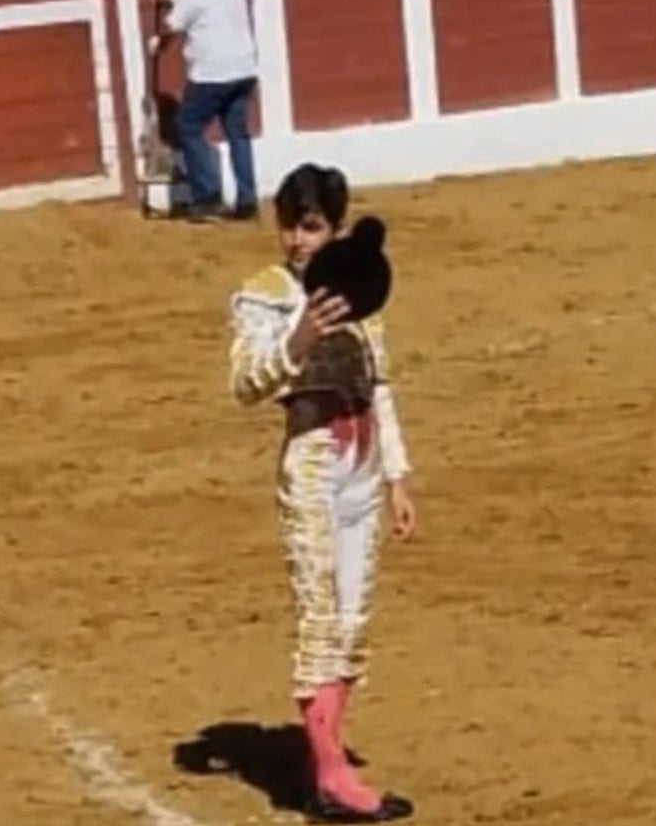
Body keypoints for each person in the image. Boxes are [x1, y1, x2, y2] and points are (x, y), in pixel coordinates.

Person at [227, 163, 417, 823]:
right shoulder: (265, 295)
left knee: (351, 624)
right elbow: (246, 385)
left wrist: (397, 475)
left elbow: (379, 385)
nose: (297, 240)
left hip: (361, 468)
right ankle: (332, 776)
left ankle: (324, 767)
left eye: (311, 227)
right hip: (310, 467)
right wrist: (300, 336)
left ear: (333, 229)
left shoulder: (359, 290)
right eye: (289, 225)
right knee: (319, 618)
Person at [151, 0, 259, 222]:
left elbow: (173, 25)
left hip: (212, 73)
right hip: (244, 68)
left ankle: (208, 197)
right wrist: (173, 1)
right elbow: (203, 11)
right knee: (238, 134)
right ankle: (247, 199)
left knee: (188, 126)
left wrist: (157, 43)